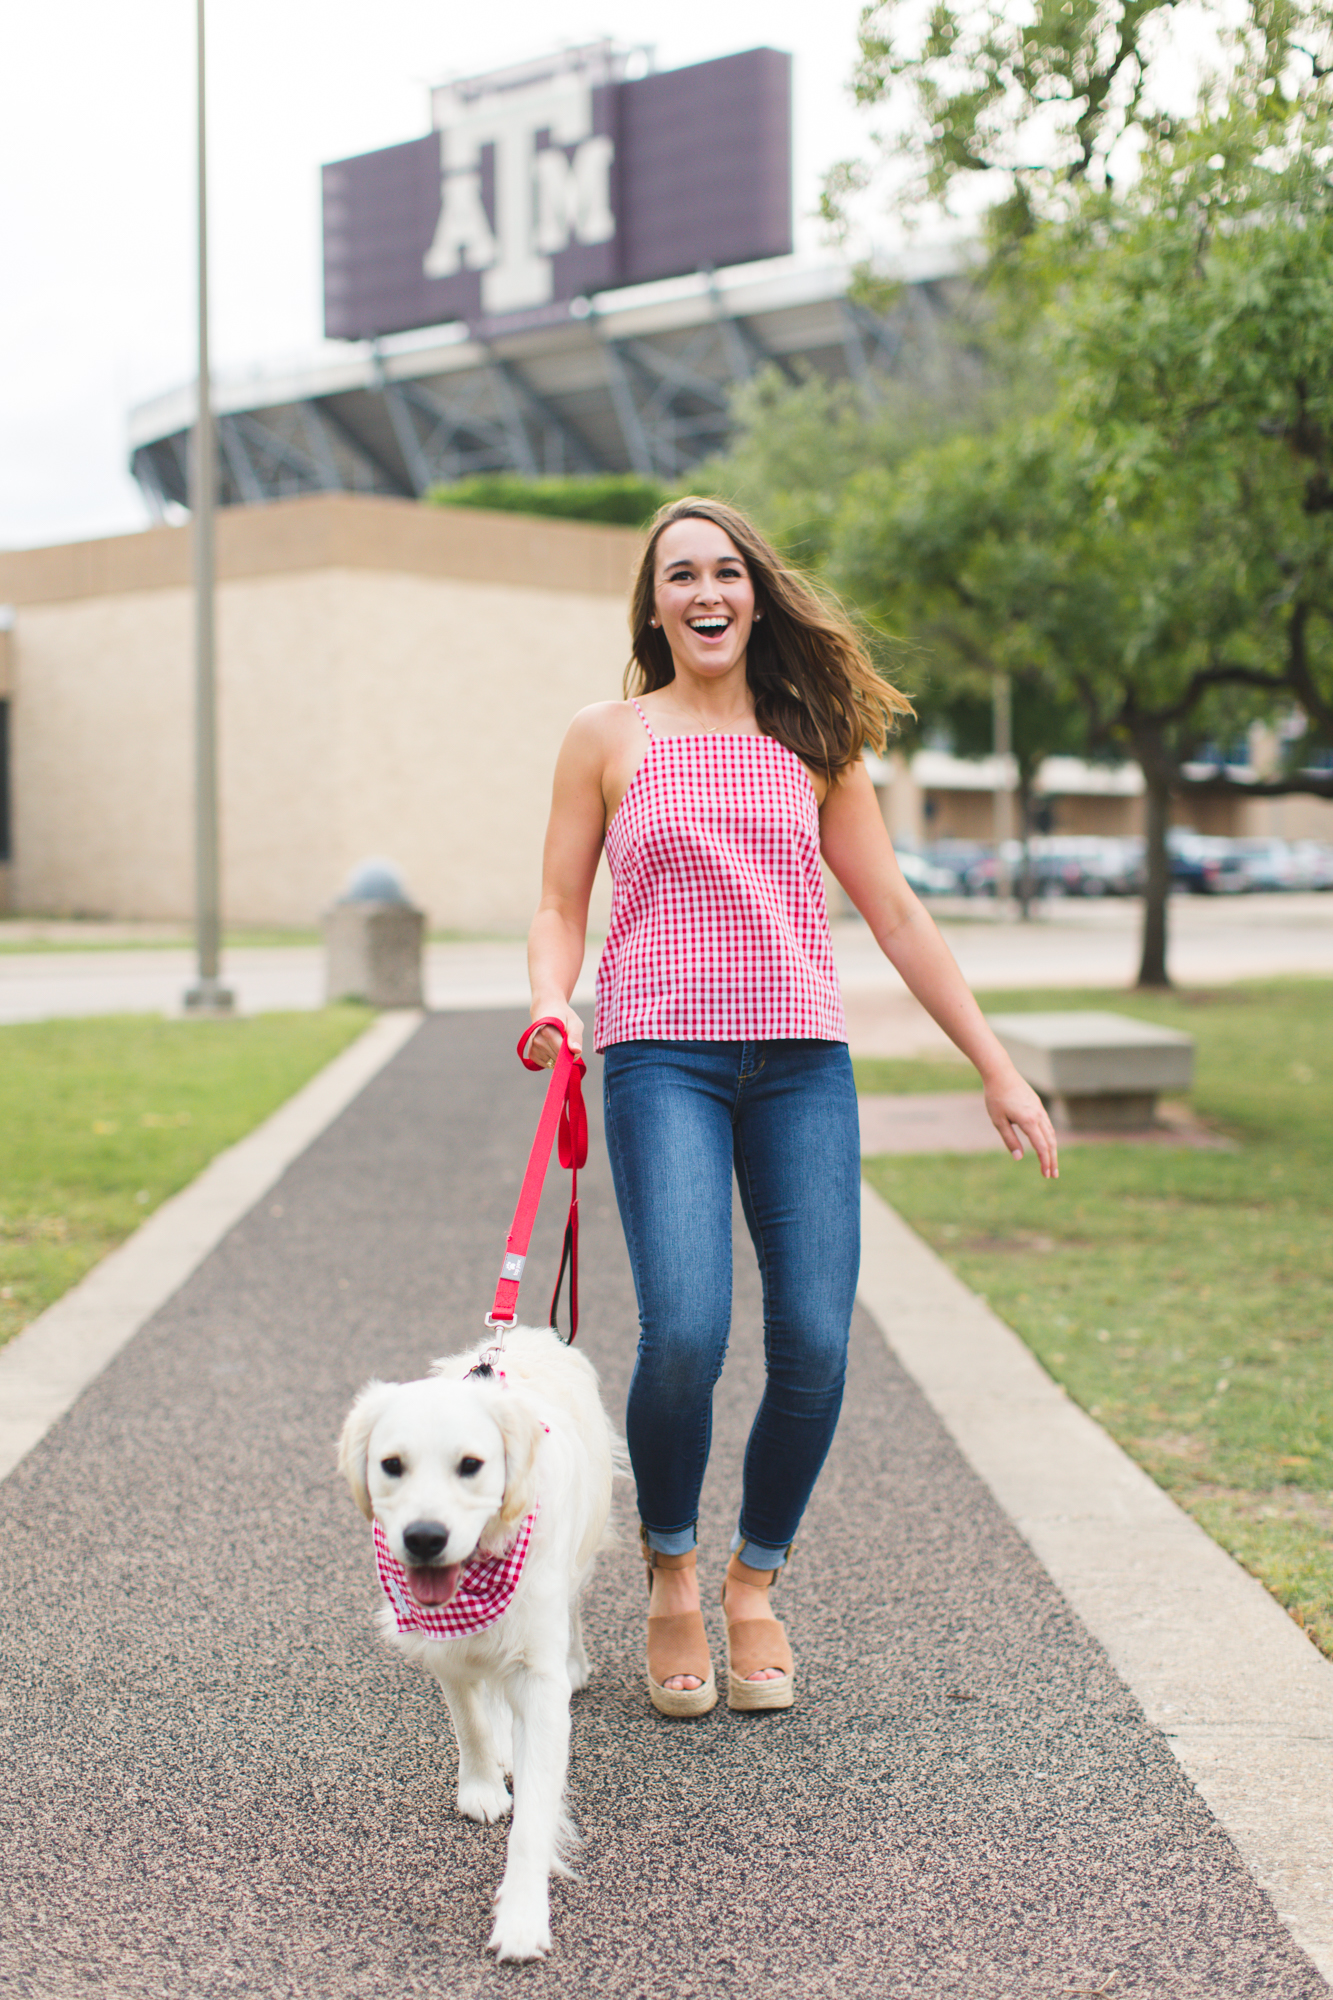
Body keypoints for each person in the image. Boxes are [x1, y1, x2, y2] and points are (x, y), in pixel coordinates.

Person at [526, 496, 1057, 1719]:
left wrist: (994, 1063)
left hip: (802, 1064)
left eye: (726, 571)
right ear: (653, 605)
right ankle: (670, 1573)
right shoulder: (605, 735)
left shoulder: (812, 737)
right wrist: (555, 998)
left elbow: (899, 913)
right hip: (663, 1057)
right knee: (690, 1331)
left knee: (815, 1339)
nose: (705, 592)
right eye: (681, 575)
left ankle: (754, 1576)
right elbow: (559, 900)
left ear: (755, 594)